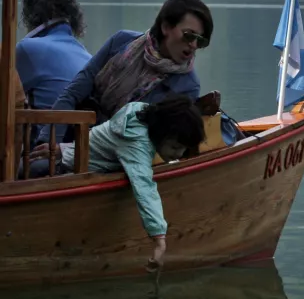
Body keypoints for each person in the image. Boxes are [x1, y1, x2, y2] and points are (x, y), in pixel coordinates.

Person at [28, 94, 206, 270]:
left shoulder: (140, 111)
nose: (178, 154)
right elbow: (144, 188)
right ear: (161, 133)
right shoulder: (136, 143)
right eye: (175, 147)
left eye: (183, 149)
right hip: (64, 169)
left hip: (69, 155)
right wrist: (159, 238)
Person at [38, 0, 213, 146]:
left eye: (201, 41)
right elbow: (72, 93)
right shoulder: (122, 42)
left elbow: (150, 141)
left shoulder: (187, 86)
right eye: (189, 35)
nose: (193, 45)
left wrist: (67, 152)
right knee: (37, 165)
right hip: (73, 133)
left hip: (115, 157)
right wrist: (49, 142)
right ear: (166, 27)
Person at [16, 0, 92, 110]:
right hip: (85, 123)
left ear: (30, 15)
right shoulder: (87, 56)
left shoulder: (27, 49)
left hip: (47, 123)